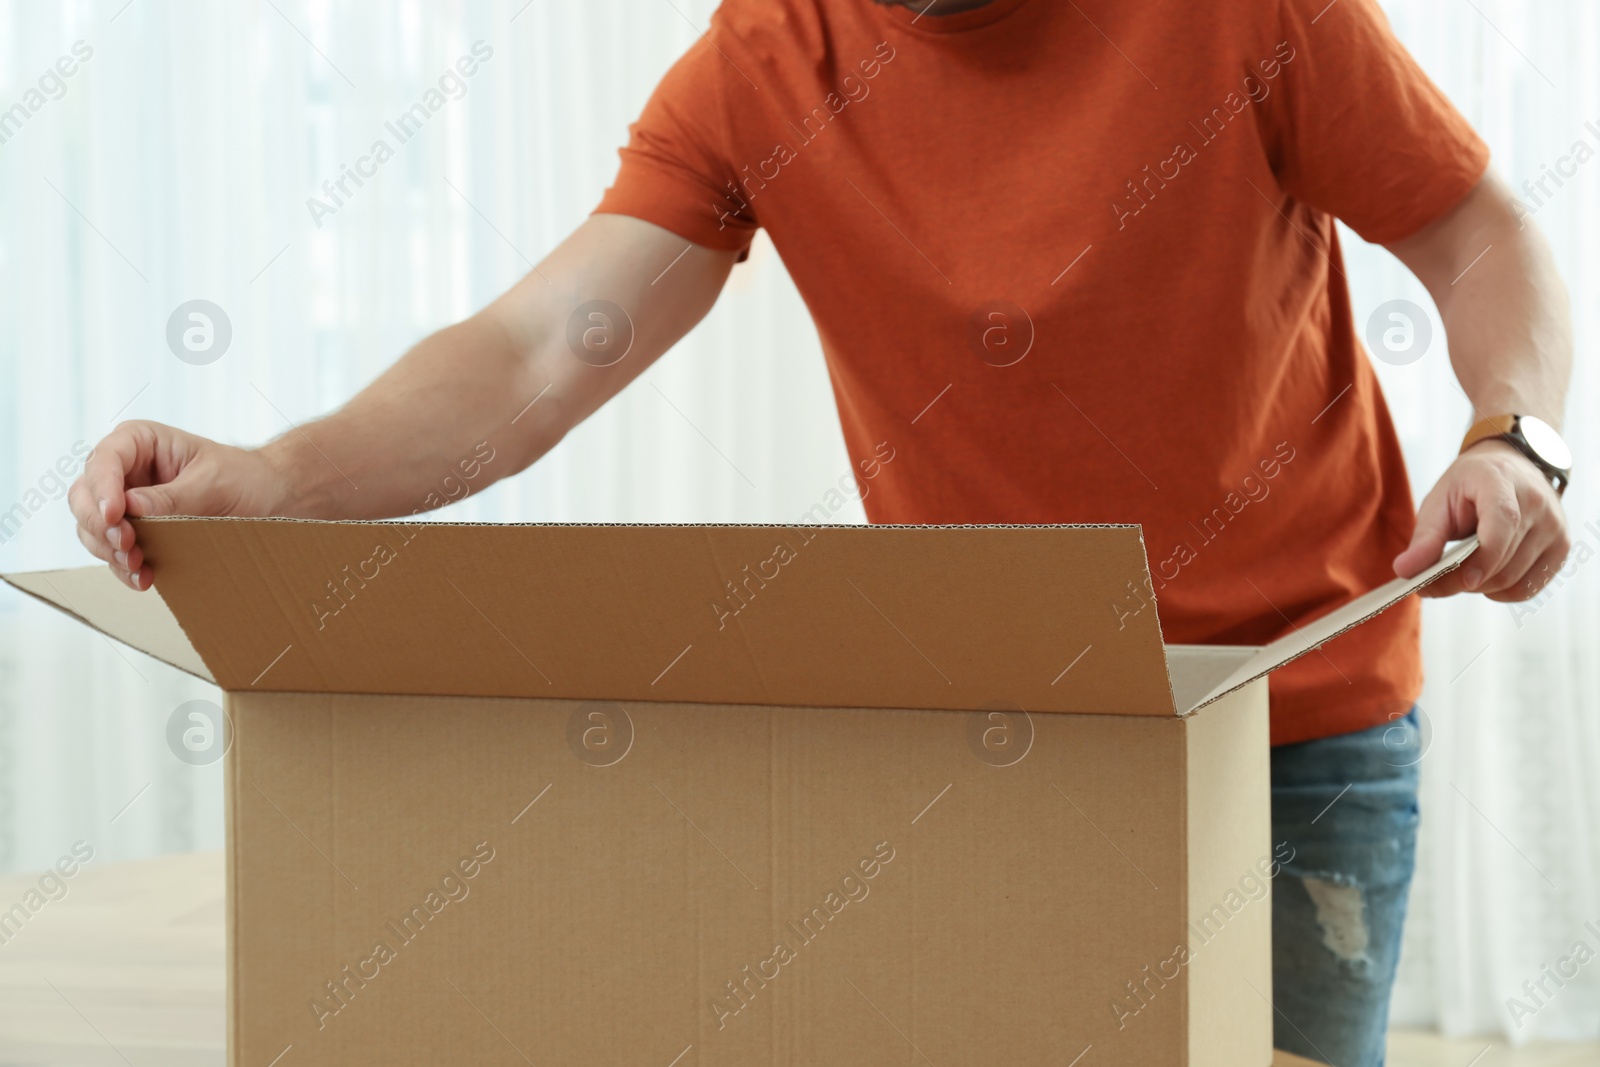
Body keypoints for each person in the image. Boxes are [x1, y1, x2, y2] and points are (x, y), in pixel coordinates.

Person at [68, 0, 1572, 1062]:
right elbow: (539, 351)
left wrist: (1518, 443)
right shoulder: (766, 55)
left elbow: (1483, 232)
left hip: (1293, 718)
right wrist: (268, 480)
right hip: (1008, 728)